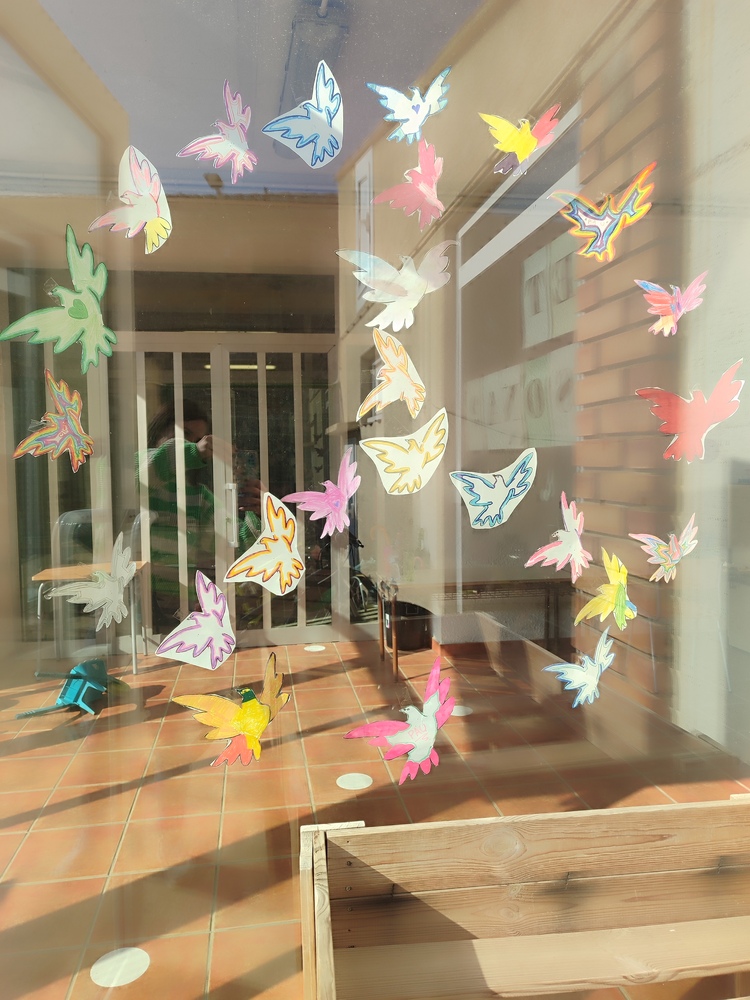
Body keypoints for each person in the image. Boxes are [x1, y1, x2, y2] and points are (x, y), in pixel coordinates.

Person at [139, 400, 261, 629]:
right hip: (134, 605)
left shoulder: (199, 496)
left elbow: (236, 545)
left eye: (198, 439)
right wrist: (194, 451)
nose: (194, 444)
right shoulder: (139, 469)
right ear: (158, 433)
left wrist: (258, 513)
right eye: (184, 435)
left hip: (178, 609)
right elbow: (145, 469)